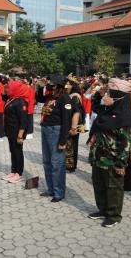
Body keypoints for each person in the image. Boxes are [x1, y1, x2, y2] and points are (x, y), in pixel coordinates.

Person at [87, 78, 131, 228]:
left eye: (111, 93)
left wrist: (121, 163)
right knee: (99, 185)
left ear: (119, 97)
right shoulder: (108, 110)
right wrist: (99, 95)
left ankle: (114, 215)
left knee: (113, 188)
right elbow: (95, 107)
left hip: (113, 159)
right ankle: (103, 210)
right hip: (98, 156)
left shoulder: (124, 116)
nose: (108, 95)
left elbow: (126, 143)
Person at [40, 75, 72, 203]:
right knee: (47, 161)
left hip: (56, 131)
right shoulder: (51, 96)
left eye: (51, 83)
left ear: (58, 84)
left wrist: (63, 141)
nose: (49, 84)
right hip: (45, 129)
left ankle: (59, 192)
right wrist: (40, 87)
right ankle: (51, 189)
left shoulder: (65, 98)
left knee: (57, 163)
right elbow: (39, 98)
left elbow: (66, 121)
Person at [2, 80, 29, 183]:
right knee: (12, 151)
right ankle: (13, 171)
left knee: (18, 152)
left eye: (9, 88)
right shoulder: (11, 99)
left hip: (17, 132)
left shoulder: (21, 102)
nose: (7, 89)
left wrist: (20, 135)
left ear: (15, 89)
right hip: (10, 131)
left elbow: (23, 120)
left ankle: (19, 173)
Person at [65, 76, 84, 173]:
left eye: (68, 84)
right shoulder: (71, 94)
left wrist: (73, 127)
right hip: (73, 123)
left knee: (72, 144)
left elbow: (77, 112)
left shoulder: (75, 96)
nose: (66, 85)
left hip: (75, 124)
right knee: (70, 144)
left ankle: (71, 165)